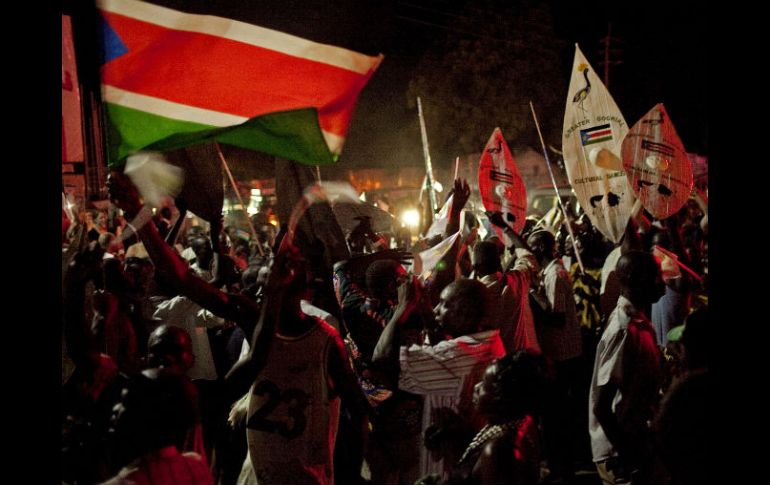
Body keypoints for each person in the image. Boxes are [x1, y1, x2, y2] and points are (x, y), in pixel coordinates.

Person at [108, 171, 368, 485]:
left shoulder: (326, 341)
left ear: (307, 278)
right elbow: (180, 278)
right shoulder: (253, 319)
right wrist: (137, 213)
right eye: (276, 259)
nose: (279, 264)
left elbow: (359, 413)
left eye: (290, 259)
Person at [375, 278, 505, 478]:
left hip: (448, 470)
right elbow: (442, 348)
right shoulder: (490, 341)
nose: (436, 309)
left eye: (444, 304)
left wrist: (402, 307)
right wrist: (425, 308)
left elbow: (382, 357)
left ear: (464, 313)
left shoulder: (458, 355)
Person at [588, 251, 666, 485]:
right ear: (635, 279)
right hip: (620, 453)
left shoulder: (637, 320)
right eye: (655, 276)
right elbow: (602, 406)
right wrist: (629, 455)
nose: (662, 283)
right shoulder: (624, 329)